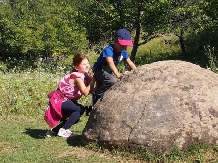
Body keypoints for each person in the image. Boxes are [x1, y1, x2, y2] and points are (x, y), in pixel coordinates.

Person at [44, 54, 95, 137]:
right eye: (84, 64)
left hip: (66, 100)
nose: (87, 65)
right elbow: (86, 92)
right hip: (60, 99)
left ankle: (54, 130)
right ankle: (63, 130)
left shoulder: (85, 76)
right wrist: (93, 81)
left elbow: (91, 90)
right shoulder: (77, 77)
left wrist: (95, 82)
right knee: (79, 109)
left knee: (77, 113)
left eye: (88, 63)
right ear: (76, 67)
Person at [92, 28, 136, 104]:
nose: (124, 48)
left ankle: (99, 98)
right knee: (112, 80)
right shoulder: (109, 49)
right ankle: (97, 96)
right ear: (115, 41)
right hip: (98, 70)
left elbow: (130, 63)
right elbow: (110, 62)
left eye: (126, 46)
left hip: (107, 73)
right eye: (122, 45)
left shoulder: (123, 51)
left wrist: (137, 71)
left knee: (106, 84)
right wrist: (118, 74)